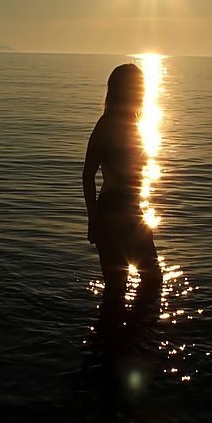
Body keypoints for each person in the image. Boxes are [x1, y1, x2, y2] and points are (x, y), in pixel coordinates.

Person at [82, 64, 161, 294]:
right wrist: (94, 219)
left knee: (152, 280)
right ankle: (114, 330)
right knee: (118, 289)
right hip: (112, 214)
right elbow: (88, 175)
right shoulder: (106, 126)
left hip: (132, 212)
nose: (142, 92)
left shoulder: (132, 125)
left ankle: (137, 329)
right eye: (137, 87)